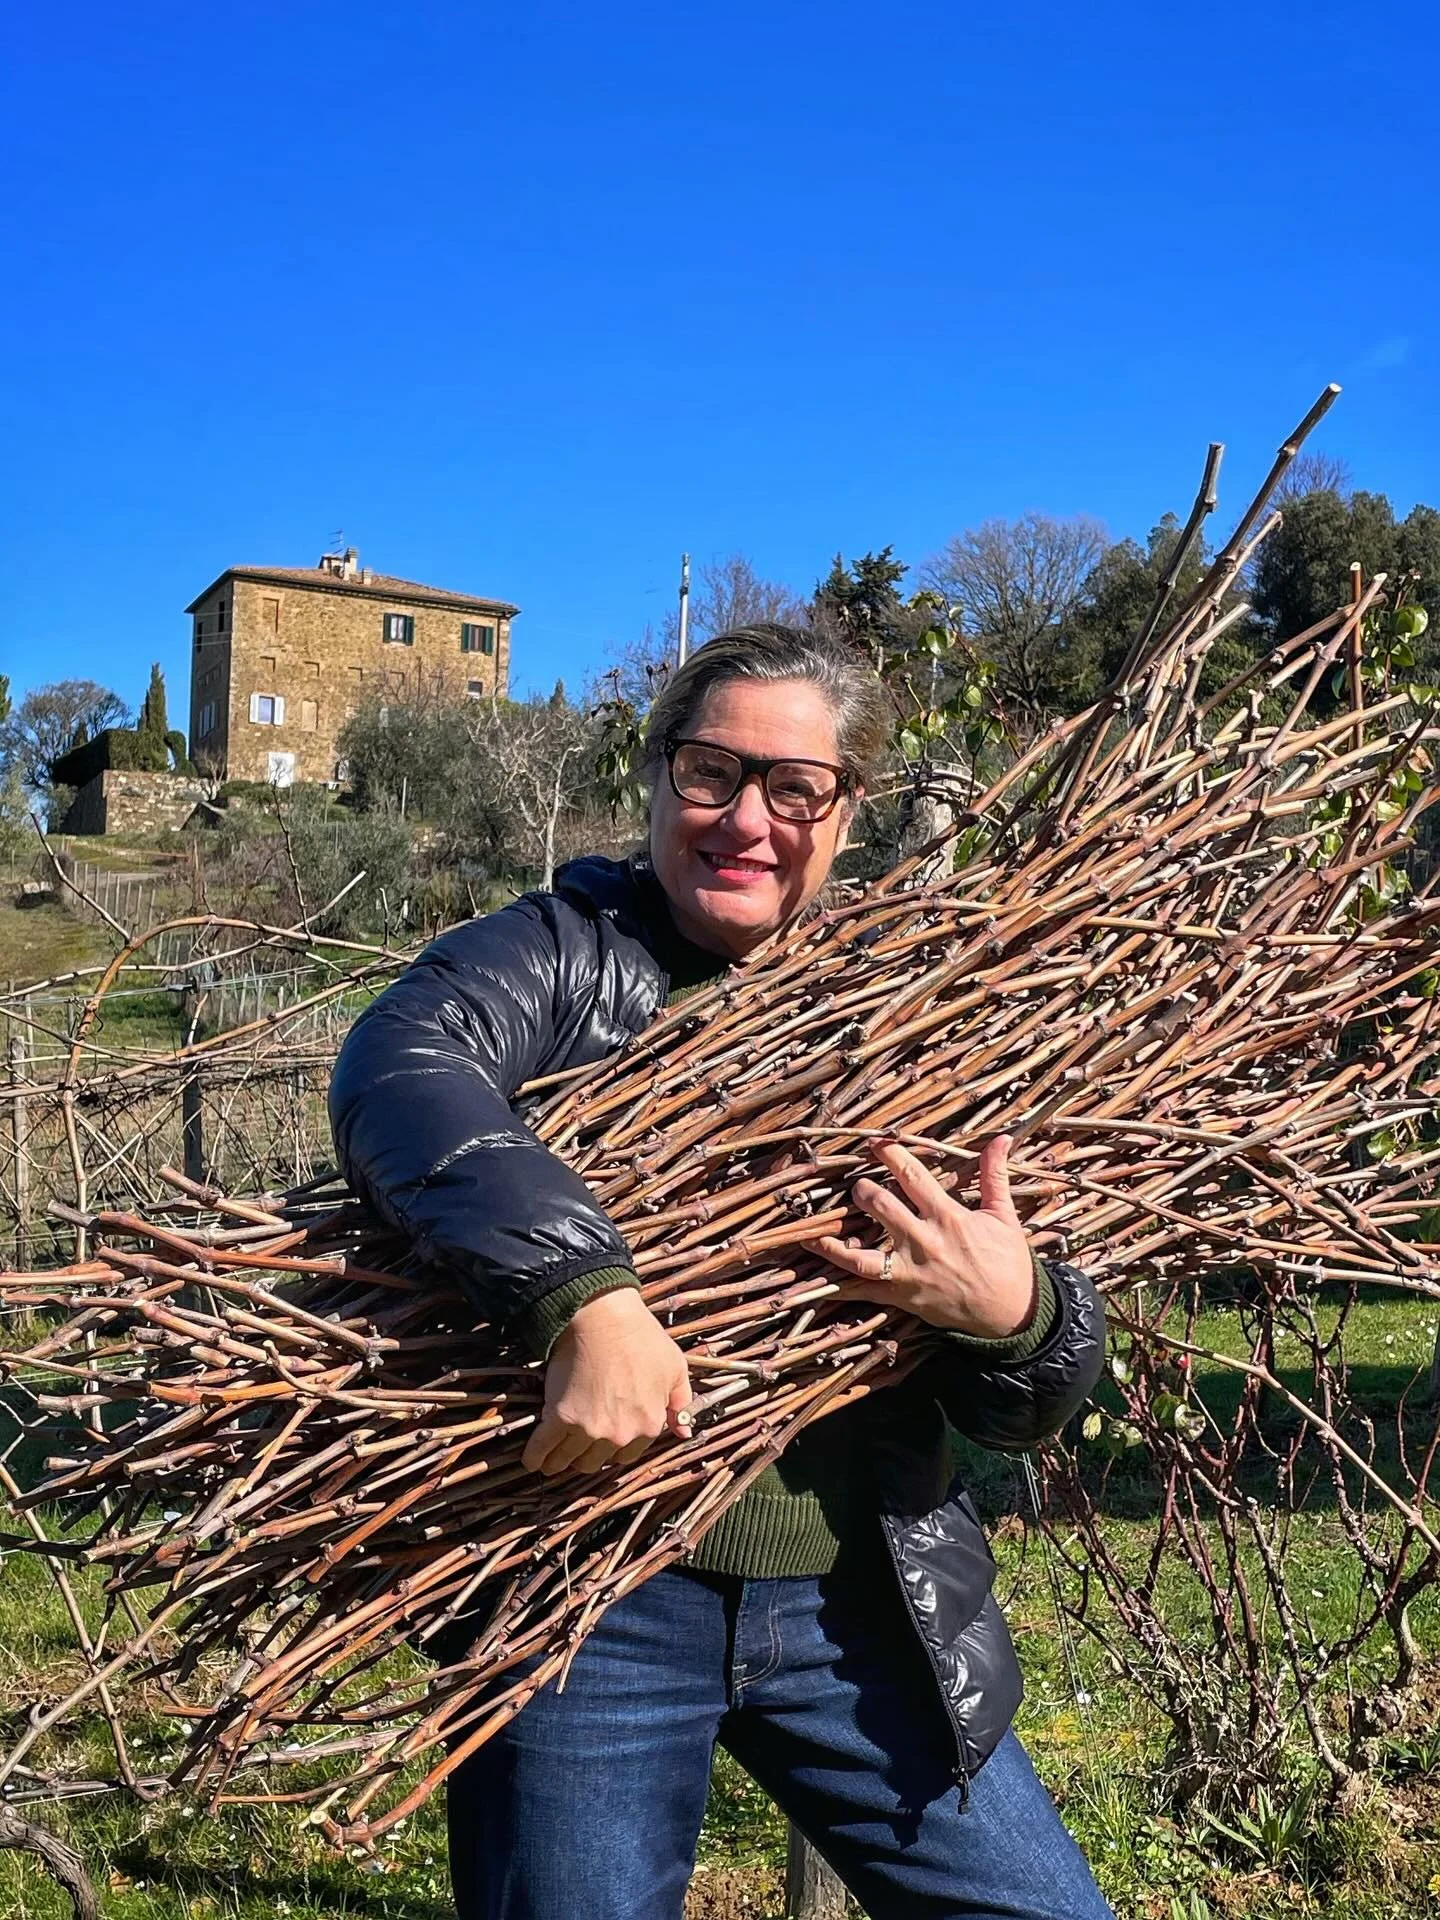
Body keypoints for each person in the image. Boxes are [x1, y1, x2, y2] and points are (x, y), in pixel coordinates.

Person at [329, 624, 1112, 1920]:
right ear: (657, 781)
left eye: (795, 787)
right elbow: (405, 1063)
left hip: (863, 1595)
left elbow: (1029, 1401)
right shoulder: (566, 951)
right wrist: (583, 1291)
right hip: (597, 1595)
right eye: (712, 772)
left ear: (847, 813)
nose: (748, 818)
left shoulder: (932, 1008)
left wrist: (1019, 1316)